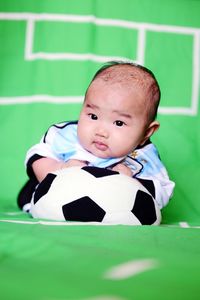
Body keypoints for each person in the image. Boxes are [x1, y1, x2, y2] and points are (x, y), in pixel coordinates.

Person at [17, 61, 175, 212]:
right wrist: (59, 169)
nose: (101, 131)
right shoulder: (66, 135)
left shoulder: (144, 157)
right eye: (93, 116)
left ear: (146, 133)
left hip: (112, 211)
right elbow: (36, 157)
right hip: (53, 199)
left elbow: (163, 192)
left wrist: (130, 183)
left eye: (119, 123)